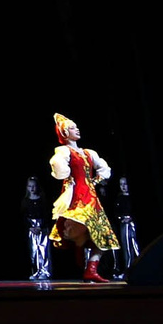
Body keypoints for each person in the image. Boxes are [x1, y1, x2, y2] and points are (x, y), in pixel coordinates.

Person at [47, 113, 119, 283]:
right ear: (65, 133)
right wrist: (66, 174)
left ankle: (90, 269)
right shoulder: (64, 150)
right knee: (79, 227)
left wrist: (96, 180)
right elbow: (58, 166)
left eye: (76, 126)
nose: (76, 129)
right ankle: (80, 252)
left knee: (103, 234)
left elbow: (103, 168)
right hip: (76, 196)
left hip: (92, 198)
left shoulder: (88, 152)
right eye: (72, 128)